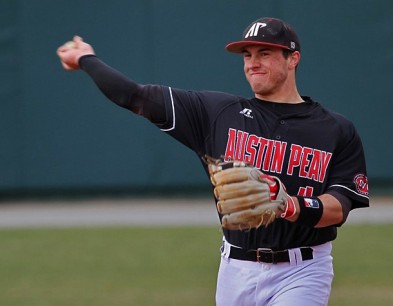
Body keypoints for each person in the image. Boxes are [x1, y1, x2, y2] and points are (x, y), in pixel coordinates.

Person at [57, 17, 369, 306]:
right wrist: (86, 59)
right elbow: (134, 96)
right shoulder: (217, 114)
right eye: (247, 55)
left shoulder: (334, 129)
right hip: (235, 270)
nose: (253, 63)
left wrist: (290, 204)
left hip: (302, 271)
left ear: (293, 58)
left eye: (265, 53)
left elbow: (339, 207)